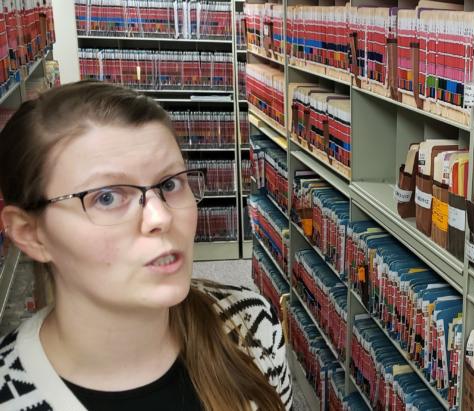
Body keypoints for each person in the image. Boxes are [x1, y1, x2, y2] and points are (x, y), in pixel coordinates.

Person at [0, 81, 292, 411]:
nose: (160, 216)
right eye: (107, 197)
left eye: (170, 183)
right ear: (30, 235)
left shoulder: (253, 328)